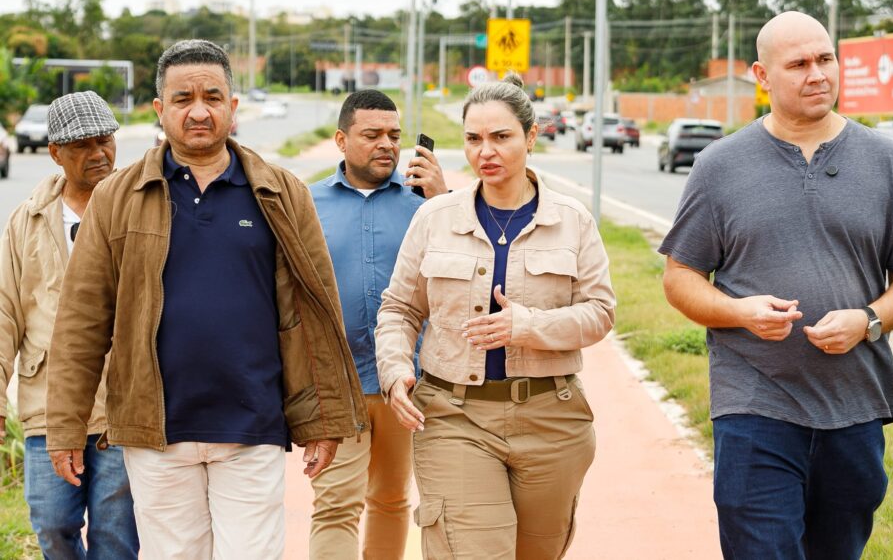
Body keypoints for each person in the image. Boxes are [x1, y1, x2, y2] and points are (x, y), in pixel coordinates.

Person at [44, 40, 368, 560]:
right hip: (156, 432)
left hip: (253, 428)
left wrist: (322, 422)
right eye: (183, 99)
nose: (198, 111)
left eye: (212, 97)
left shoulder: (282, 193)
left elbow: (316, 313)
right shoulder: (116, 198)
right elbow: (82, 321)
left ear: (233, 107)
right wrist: (65, 426)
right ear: (160, 109)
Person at [660, 11, 893, 560]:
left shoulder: (888, 162)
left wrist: (867, 321)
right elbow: (679, 277)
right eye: (798, 65)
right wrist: (740, 313)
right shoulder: (720, 166)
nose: (817, 74)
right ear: (761, 76)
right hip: (753, 404)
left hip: (855, 404)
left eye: (825, 59)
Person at [375, 72, 615, 560]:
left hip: (552, 419)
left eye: (501, 137)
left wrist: (527, 327)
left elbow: (600, 313)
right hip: (454, 416)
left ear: (531, 136)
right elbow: (399, 309)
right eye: (473, 139)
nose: (485, 151)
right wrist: (396, 371)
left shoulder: (573, 221)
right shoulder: (435, 218)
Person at [308, 89, 448, 558]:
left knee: (391, 499)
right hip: (336, 381)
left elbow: (467, 267)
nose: (386, 144)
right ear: (341, 140)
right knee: (335, 504)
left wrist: (444, 200)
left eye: (394, 135)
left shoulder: (425, 204)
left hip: (406, 381)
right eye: (372, 135)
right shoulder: (308, 203)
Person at [0, 92, 139, 559]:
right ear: (55, 153)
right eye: (82, 145)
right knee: (52, 523)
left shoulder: (140, 209)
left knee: (115, 536)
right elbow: (5, 312)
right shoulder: (27, 219)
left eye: (105, 141)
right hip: (47, 402)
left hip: (122, 404)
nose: (98, 153)